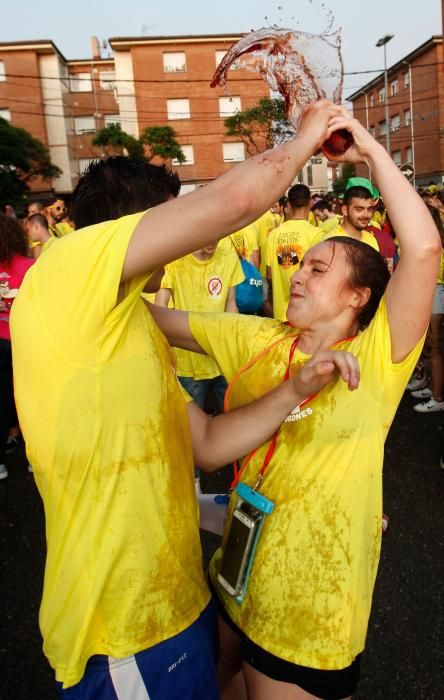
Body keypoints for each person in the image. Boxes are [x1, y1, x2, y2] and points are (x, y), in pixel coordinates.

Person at [10, 100, 350, 698]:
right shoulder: (65, 268)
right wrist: (305, 139)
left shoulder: (132, 322)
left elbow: (207, 442)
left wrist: (296, 389)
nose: (185, 236)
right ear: (130, 229)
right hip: (123, 631)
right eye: (172, 222)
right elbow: (231, 205)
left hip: (179, 603)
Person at [149, 107, 441, 699]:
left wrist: (367, 149)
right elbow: (156, 322)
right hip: (235, 574)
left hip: (311, 610)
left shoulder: (380, 356)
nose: (298, 277)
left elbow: (425, 248)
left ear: (360, 296)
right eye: (300, 266)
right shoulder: (259, 337)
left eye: (317, 268)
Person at [155, 241, 244, 493]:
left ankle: (244, 480)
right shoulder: (175, 258)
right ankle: (191, 487)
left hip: (220, 361)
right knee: (190, 432)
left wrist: (234, 349)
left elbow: (231, 305)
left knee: (237, 419)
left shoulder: (228, 256)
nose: (213, 241)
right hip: (187, 364)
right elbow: (160, 306)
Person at [0, 214, 33, 480]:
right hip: (25, 341)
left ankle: (1, 462)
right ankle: (35, 457)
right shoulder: (29, 266)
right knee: (29, 398)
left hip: (1, 341)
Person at [266, 184, 318, 321]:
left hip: (281, 315)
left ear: (288, 204)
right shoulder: (317, 234)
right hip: (307, 314)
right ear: (310, 202)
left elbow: (269, 276)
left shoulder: (274, 234)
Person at [411, 205, 444, 412]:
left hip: (435, 294)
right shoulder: (434, 240)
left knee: (434, 348)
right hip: (431, 293)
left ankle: (438, 398)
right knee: (429, 346)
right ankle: (431, 387)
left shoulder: (433, 244)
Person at [320, 180, 379, 251]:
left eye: (369, 209)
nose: (366, 215)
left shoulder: (371, 240)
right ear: (345, 210)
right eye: (359, 209)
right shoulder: (330, 242)